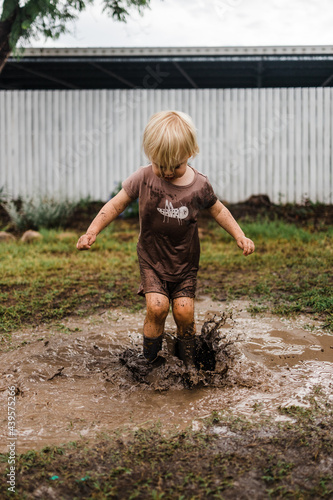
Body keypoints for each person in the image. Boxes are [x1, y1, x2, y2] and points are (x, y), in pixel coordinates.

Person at [77, 110, 255, 368]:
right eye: (161, 166)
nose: (168, 172)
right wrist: (92, 231)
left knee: (184, 311)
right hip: (152, 259)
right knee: (158, 307)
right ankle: (148, 361)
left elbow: (218, 210)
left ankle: (190, 364)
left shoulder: (199, 185)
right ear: (150, 155)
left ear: (190, 153)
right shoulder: (144, 178)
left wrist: (240, 235)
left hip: (185, 263)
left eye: (176, 166)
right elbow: (116, 204)